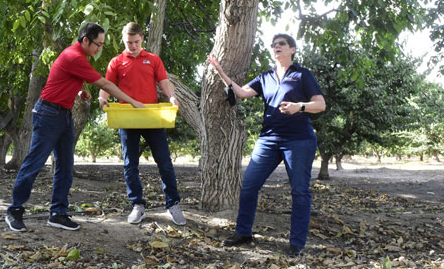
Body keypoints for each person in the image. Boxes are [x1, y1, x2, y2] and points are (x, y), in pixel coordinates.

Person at [6, 23, 145, 232]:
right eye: (98, 44)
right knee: (34, 163)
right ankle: (14, 210)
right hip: (48, 114)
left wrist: (80, 91)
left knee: (65, 167)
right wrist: (132, 101)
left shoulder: (78, 57)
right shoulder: (74, 56)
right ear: (85, 40)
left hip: (64, 115)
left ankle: (58, 213)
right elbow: (105, 85)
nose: (99, 49)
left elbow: (64, 76)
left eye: (102, 45)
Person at [208, 33, 326, 257]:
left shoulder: (302, 74)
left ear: (292, 49)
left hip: (299, 141)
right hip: (268, 140)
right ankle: (243, 233)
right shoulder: (265, 77)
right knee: (249, 185)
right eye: (273, 45)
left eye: (281, 44)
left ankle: (296, 243)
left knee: (300, 191)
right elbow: (241, 93)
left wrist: (298, 106)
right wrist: (221, 72)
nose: (276, 47)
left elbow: (320, 105)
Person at [98, 22, 186, 226]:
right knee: (130, 164)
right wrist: (102, 99)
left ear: (142, 39)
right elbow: (106, 85)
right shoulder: (116, 61)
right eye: (129, 42)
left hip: (151, 117)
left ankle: (173, 204)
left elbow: (164, 82)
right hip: (127, 118)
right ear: (123, 40)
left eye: (136, 42)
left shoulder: (153, 59)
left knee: (164, 162)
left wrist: (171, 97)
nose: (133, 46)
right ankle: (137, 205)